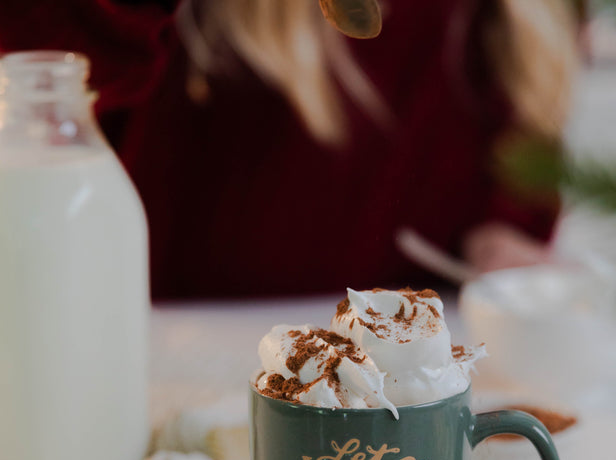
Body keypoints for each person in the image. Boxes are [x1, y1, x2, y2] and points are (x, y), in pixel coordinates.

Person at [0, 0, 580, 299]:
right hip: (170, 380)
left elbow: (522, 176)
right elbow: (39, 62)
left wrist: (507, 247)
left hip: (402, 414)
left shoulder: (515, 22)